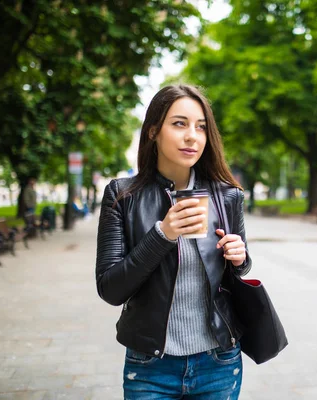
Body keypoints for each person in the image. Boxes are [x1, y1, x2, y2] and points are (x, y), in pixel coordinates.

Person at [96, 84, 252, 399]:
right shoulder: (122, 196)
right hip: (151, 366)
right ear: (154, 130)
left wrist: (240, 258)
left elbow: (240, 271)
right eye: (179, 123)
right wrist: (162, 235)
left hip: (218, 363)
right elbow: (110, 289)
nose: (192, 136)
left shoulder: (227, 196)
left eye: (201, 127)